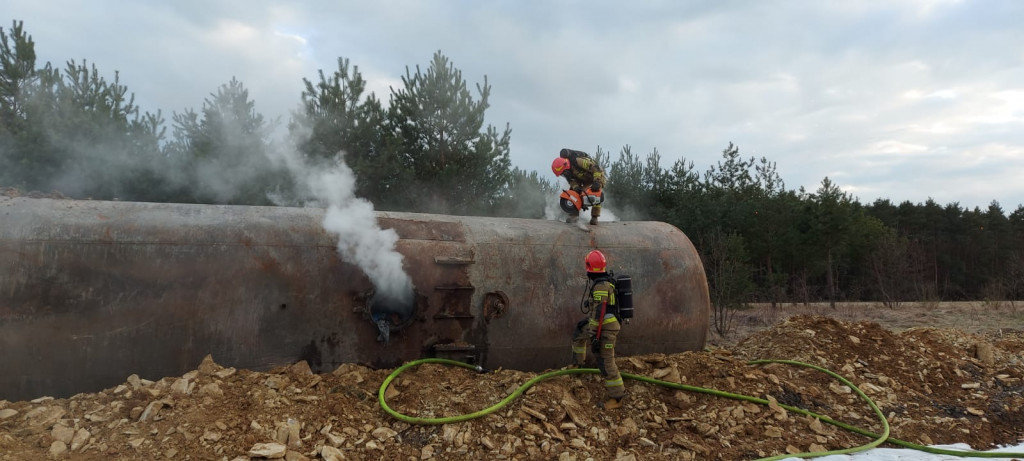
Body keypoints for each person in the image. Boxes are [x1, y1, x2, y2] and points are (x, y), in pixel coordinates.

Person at [570, 249, 625, 409]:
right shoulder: (601, 282)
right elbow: (599, 308)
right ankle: (578, 365)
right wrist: (591, 302)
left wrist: (594, 336)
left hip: (606, 328)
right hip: (602, 324)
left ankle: (617, 397)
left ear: (588, 267)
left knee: (605, 361)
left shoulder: (601, 285)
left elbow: (600, 314)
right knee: (579, 333)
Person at [551, 148, 606, 225]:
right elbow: (572, 182)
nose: (564, 175)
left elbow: (596, 168)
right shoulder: (567, 172)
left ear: (566, 166)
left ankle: (594, 217)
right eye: (562, 174)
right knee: (573, 192)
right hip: (583, 179)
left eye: (564, 173)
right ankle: (574, 216)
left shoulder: (578, 161)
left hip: (595, 175)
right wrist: (576, 188)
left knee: (596, 193)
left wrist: (597, 181)